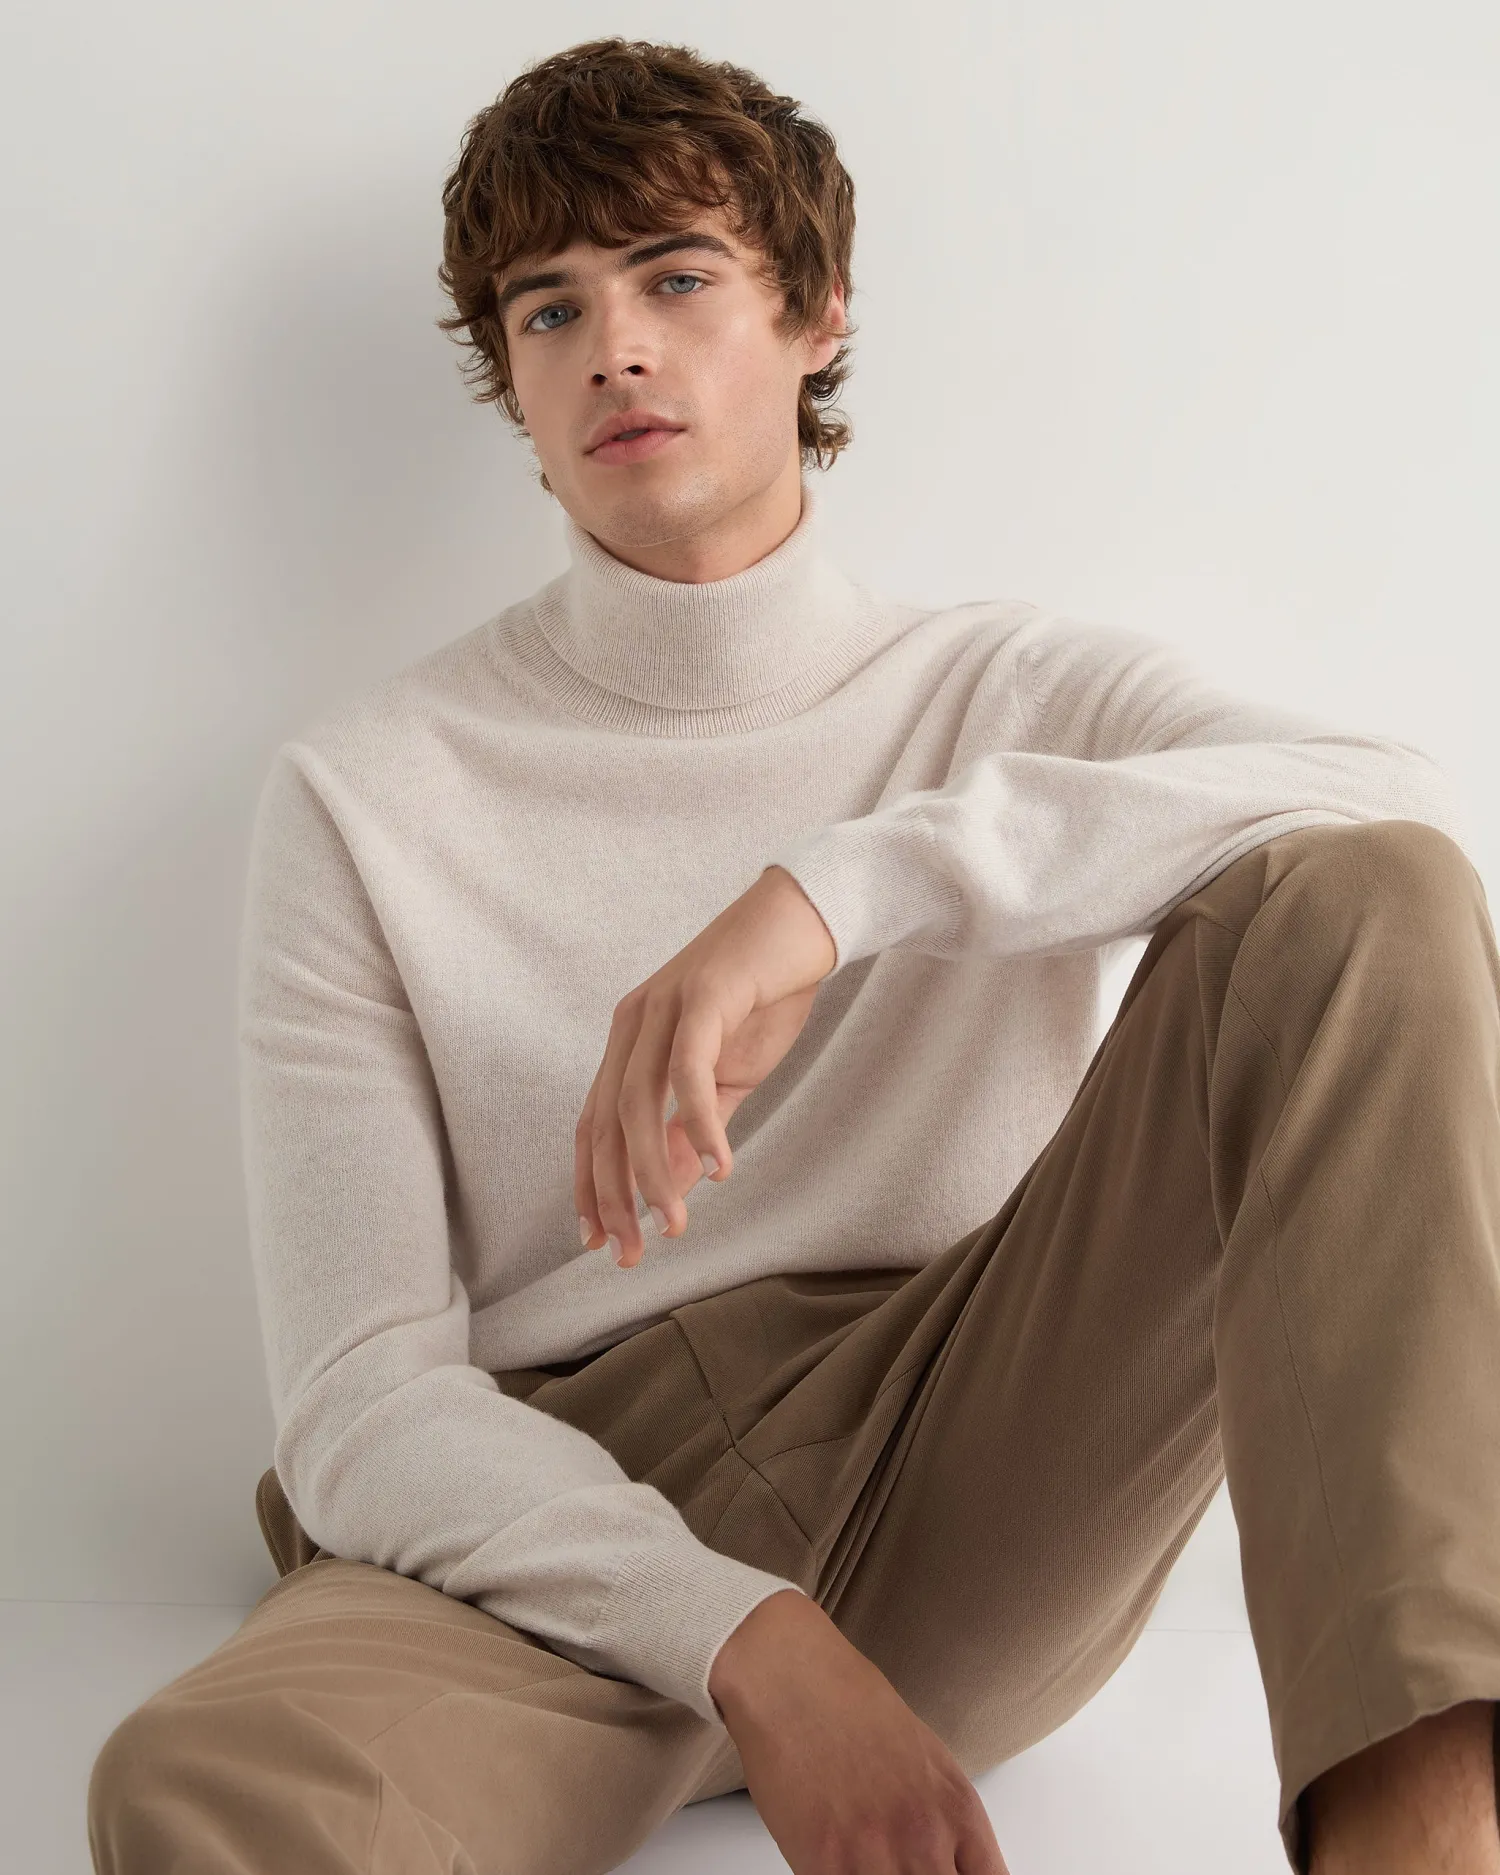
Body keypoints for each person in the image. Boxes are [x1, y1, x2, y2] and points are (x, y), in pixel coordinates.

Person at [88, 35, 1500, 1875]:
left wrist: (836, 891)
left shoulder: (1002, 689)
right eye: (550, 309)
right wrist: (747, 1638)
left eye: (677, 279)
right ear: (512, 377)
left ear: (819, 315)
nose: (616, 348)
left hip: (968, 1448)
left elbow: (1397, 809)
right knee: (195, 1792)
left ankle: (1427, 1843)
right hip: (555, 1532)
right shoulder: (365, 794)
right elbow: (361, 1400)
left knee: (1357, 901)